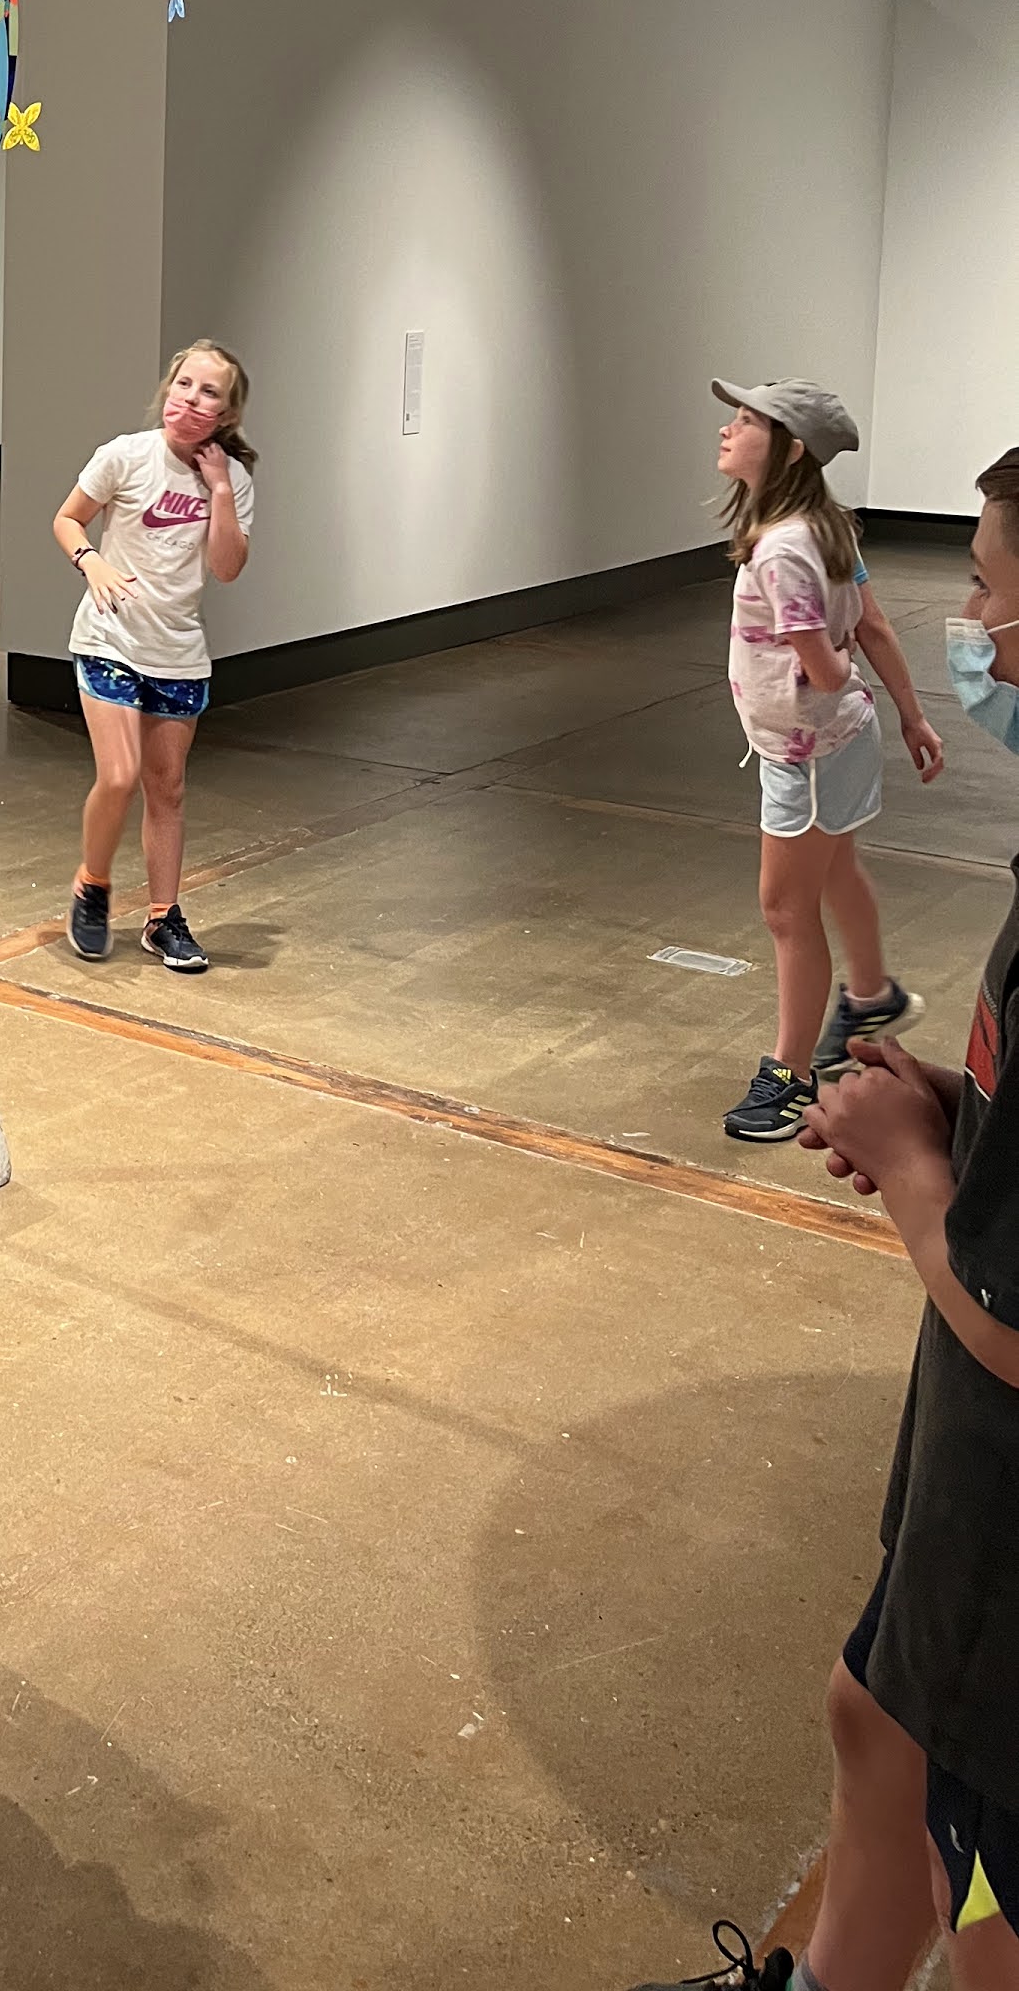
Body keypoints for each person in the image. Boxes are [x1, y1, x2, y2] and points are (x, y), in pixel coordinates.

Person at [636, 449, 1019, 1991]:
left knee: (990, 1896)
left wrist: (923, 1187)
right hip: (967, 1480)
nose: (970, 617)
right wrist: (951, 1109)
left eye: (990, 586)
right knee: (877, 1719)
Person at [712, 378, 942, 1146]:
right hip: (840, 744)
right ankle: (872, 998)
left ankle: (789, 1077)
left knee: (785, 910)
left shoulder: (781, 549)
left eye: (746, 422)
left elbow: (834, 661)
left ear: (790, 448)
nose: (728, 431)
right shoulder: (826, 524)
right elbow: (873, 622)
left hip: (805, 756)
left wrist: (825, 665)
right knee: (836, 872)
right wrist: (911, 714)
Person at [50, 341, 255, 976]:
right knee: (118, 774)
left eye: (208, 392)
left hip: (179, 652)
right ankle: (93, 883)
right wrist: (93, 562)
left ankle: (164, 917)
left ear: (225, 412)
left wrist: (219, 487)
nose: (190, 399)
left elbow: (226, 568)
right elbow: (66, 519)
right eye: (183, 384)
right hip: (110, 638)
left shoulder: (234, 481)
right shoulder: (125, 455)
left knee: (166, 788)